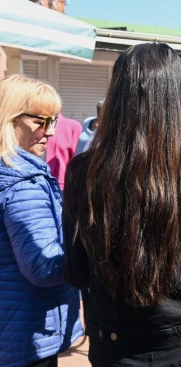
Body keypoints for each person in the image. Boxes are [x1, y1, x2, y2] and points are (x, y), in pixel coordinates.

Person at [62, 43, 181, 366]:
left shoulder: (83, 172)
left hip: (119, 348)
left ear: (117, 98)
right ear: (178, 97)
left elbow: (77, 271)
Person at [0, 75, 83, 367]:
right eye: (40, 121)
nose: (50, 131)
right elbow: (44, 267)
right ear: (10, 120)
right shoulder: (22, 183)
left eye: (54, 121)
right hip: (26, 333)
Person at [46, 112, 82, 190]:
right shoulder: (27, 123)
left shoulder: (73, 126)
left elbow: (78, 160)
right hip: (33, 183)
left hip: (62, 186)